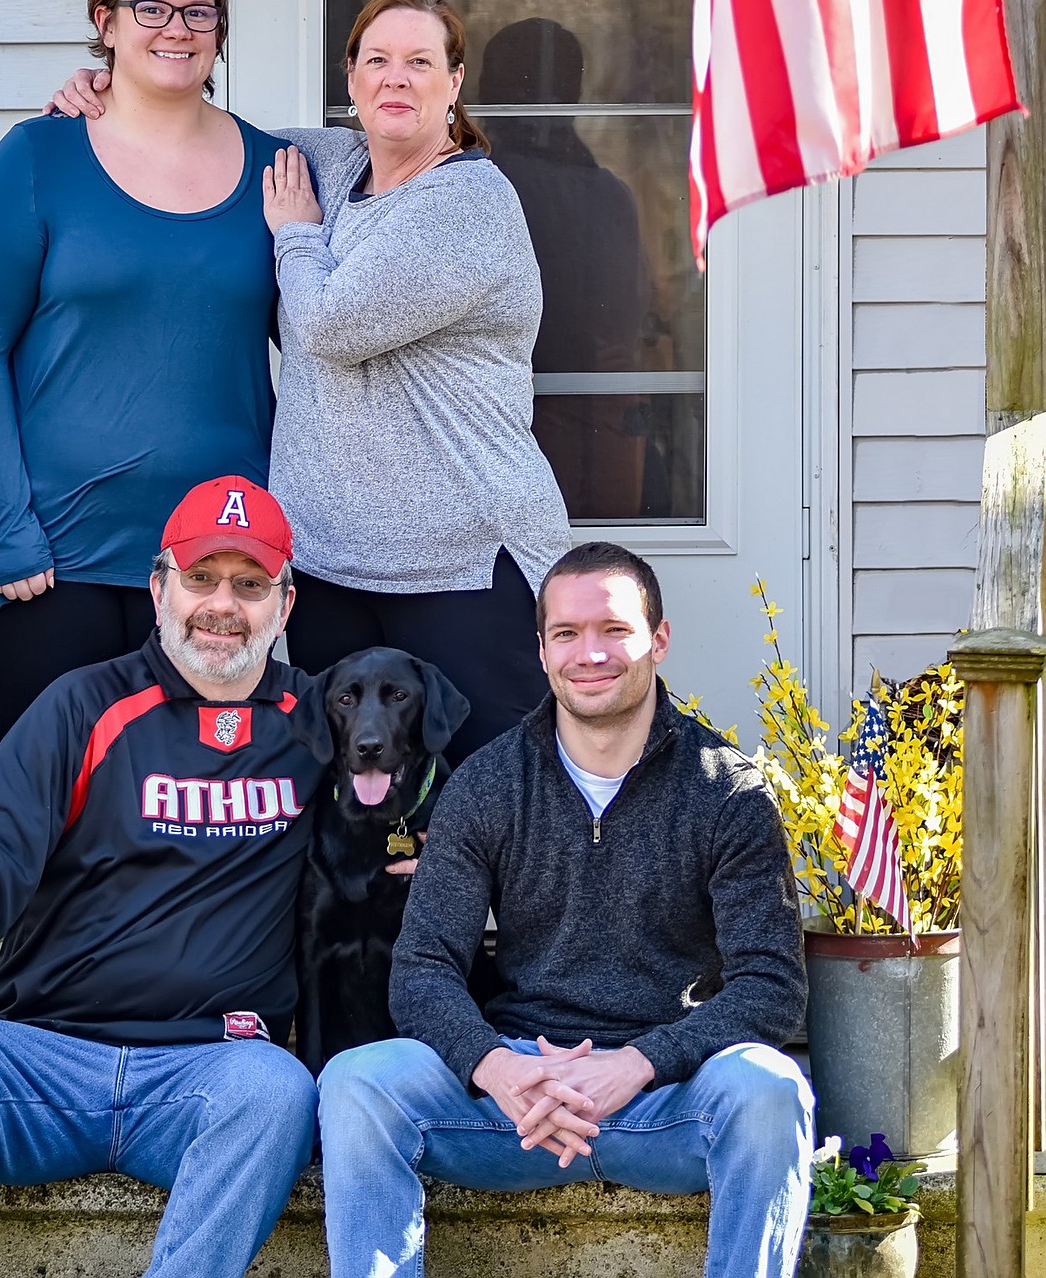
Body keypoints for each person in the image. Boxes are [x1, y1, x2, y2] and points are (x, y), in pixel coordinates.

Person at [52, 0, 573, 769]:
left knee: (489, 799)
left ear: (454, 83)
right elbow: (207, 142)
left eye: (419, 62)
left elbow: (330, 329)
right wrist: (112, 94)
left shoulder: (469, 202)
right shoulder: (330, 163)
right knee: (360, 804)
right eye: (377, 61)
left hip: (460, 564)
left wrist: (294, 235)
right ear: (352, 78)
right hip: (331, 562)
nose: (396, 79)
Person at [316, 540, 814, 1278]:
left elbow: (771, 985)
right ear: (542, 651)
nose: (590, 654)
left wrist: (639, 1063)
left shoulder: (726, 791)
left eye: (614, 630)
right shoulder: (487, 786)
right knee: (355, 1082)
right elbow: (422, 970)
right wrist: (494, 1066)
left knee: (771, 1089)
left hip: (666, 1094)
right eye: (566, 634)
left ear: (658, 640)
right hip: (516, 1095)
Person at [0, 477, 326, 1278]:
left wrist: (423, 837)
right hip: (43, 1060)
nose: (222, 604)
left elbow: (416, 795)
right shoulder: (85, 704)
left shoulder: (320, 725)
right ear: (158, 589)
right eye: (201, 579)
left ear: (283, 606)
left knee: (278, 1093)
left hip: (207, 1070)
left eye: (249, 585)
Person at [0, 0, 282, 739]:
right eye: (151, 7)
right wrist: (10, 528)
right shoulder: (39, 157)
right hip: (55, 561)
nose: (177, 28)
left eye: (199, 12)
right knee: (70, 812)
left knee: (198, 815)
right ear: (107, 20)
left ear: (221, 32)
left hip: (216, 564)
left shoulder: (278, 170)